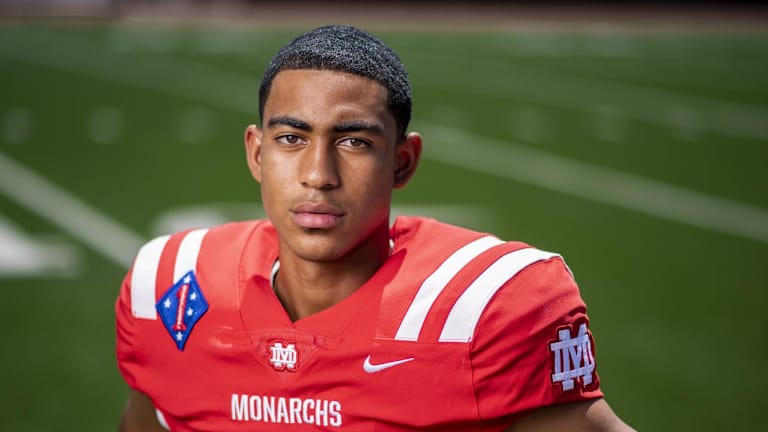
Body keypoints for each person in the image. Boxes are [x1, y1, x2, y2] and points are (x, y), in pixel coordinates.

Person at [115, 25, 634, 431]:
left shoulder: (485, 310)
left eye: (354, 142)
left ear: (403, 162)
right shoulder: (173, 290)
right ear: (256, 152)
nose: (318, 174)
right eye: (292, 138)